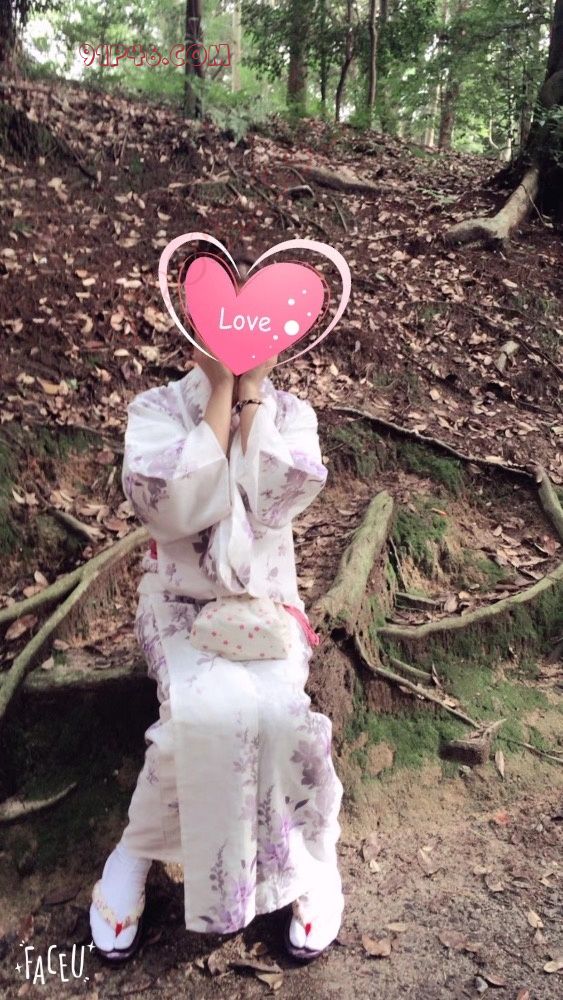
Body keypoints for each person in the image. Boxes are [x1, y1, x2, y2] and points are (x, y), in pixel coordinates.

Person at [89, 262, 344, 963]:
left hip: (267, 607)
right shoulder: (154, 410)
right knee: (198, 719)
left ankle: (312, 861)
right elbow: (170, 508)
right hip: (178, 606)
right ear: (194, 328)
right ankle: (134, 855)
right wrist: (218, 394)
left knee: (281, 716)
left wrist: (251, 394)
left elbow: (274, 502)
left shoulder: (293, 414)